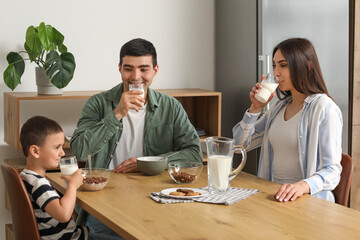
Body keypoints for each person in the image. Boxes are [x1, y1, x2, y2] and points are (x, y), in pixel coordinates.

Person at [70, 38, 202, 234]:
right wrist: (117, 114)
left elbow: (194, 154)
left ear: (155, 70)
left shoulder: (171, 106)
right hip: (104, 201)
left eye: (143, 69)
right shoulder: (98, 103)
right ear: (120, 69)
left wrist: (146, 162)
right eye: (128, 68)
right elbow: (80, 150)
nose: (136, 76)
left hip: (155, 199)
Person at [233, 38, 342, 203]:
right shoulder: (278, 107)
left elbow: (332, 171)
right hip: (272, 197)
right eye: (274, 65)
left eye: (283, 65)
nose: (276, 72)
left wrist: (302, 186)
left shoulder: (324, 108)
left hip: (308, 202)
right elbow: (239, 145)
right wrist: (255, 108)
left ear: (307, 66)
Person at [19, 116, 122, 240]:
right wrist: (72, 185)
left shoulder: (26, 177)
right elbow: (63, 215)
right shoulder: (39, 184)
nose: (62, 153)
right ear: (35, 151)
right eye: (57, 147)